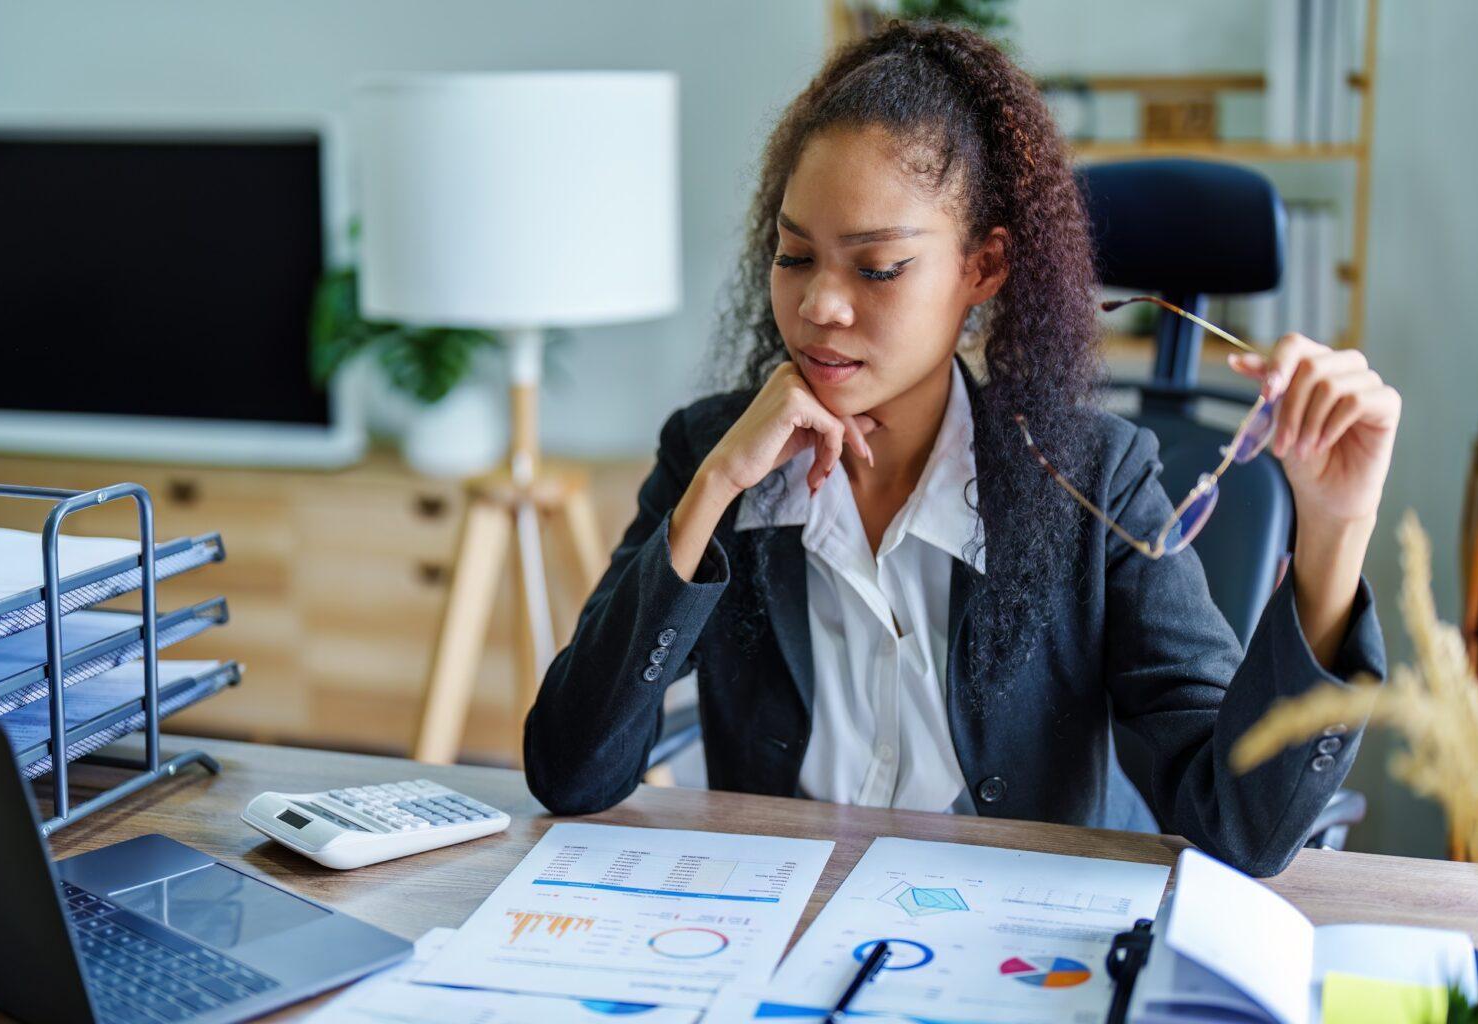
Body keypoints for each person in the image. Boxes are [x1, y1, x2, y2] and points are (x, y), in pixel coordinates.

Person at [524, 20, 1400, 877]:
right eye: (795, 256)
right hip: (781, 928)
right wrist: (712, 490)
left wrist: (1335, 530)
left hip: (1007, 953)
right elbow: (570, 771)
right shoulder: (713, 456)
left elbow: (1239, 828)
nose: (822, 305)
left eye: (877, 268)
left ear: (982, 268)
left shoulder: (1093, 482)